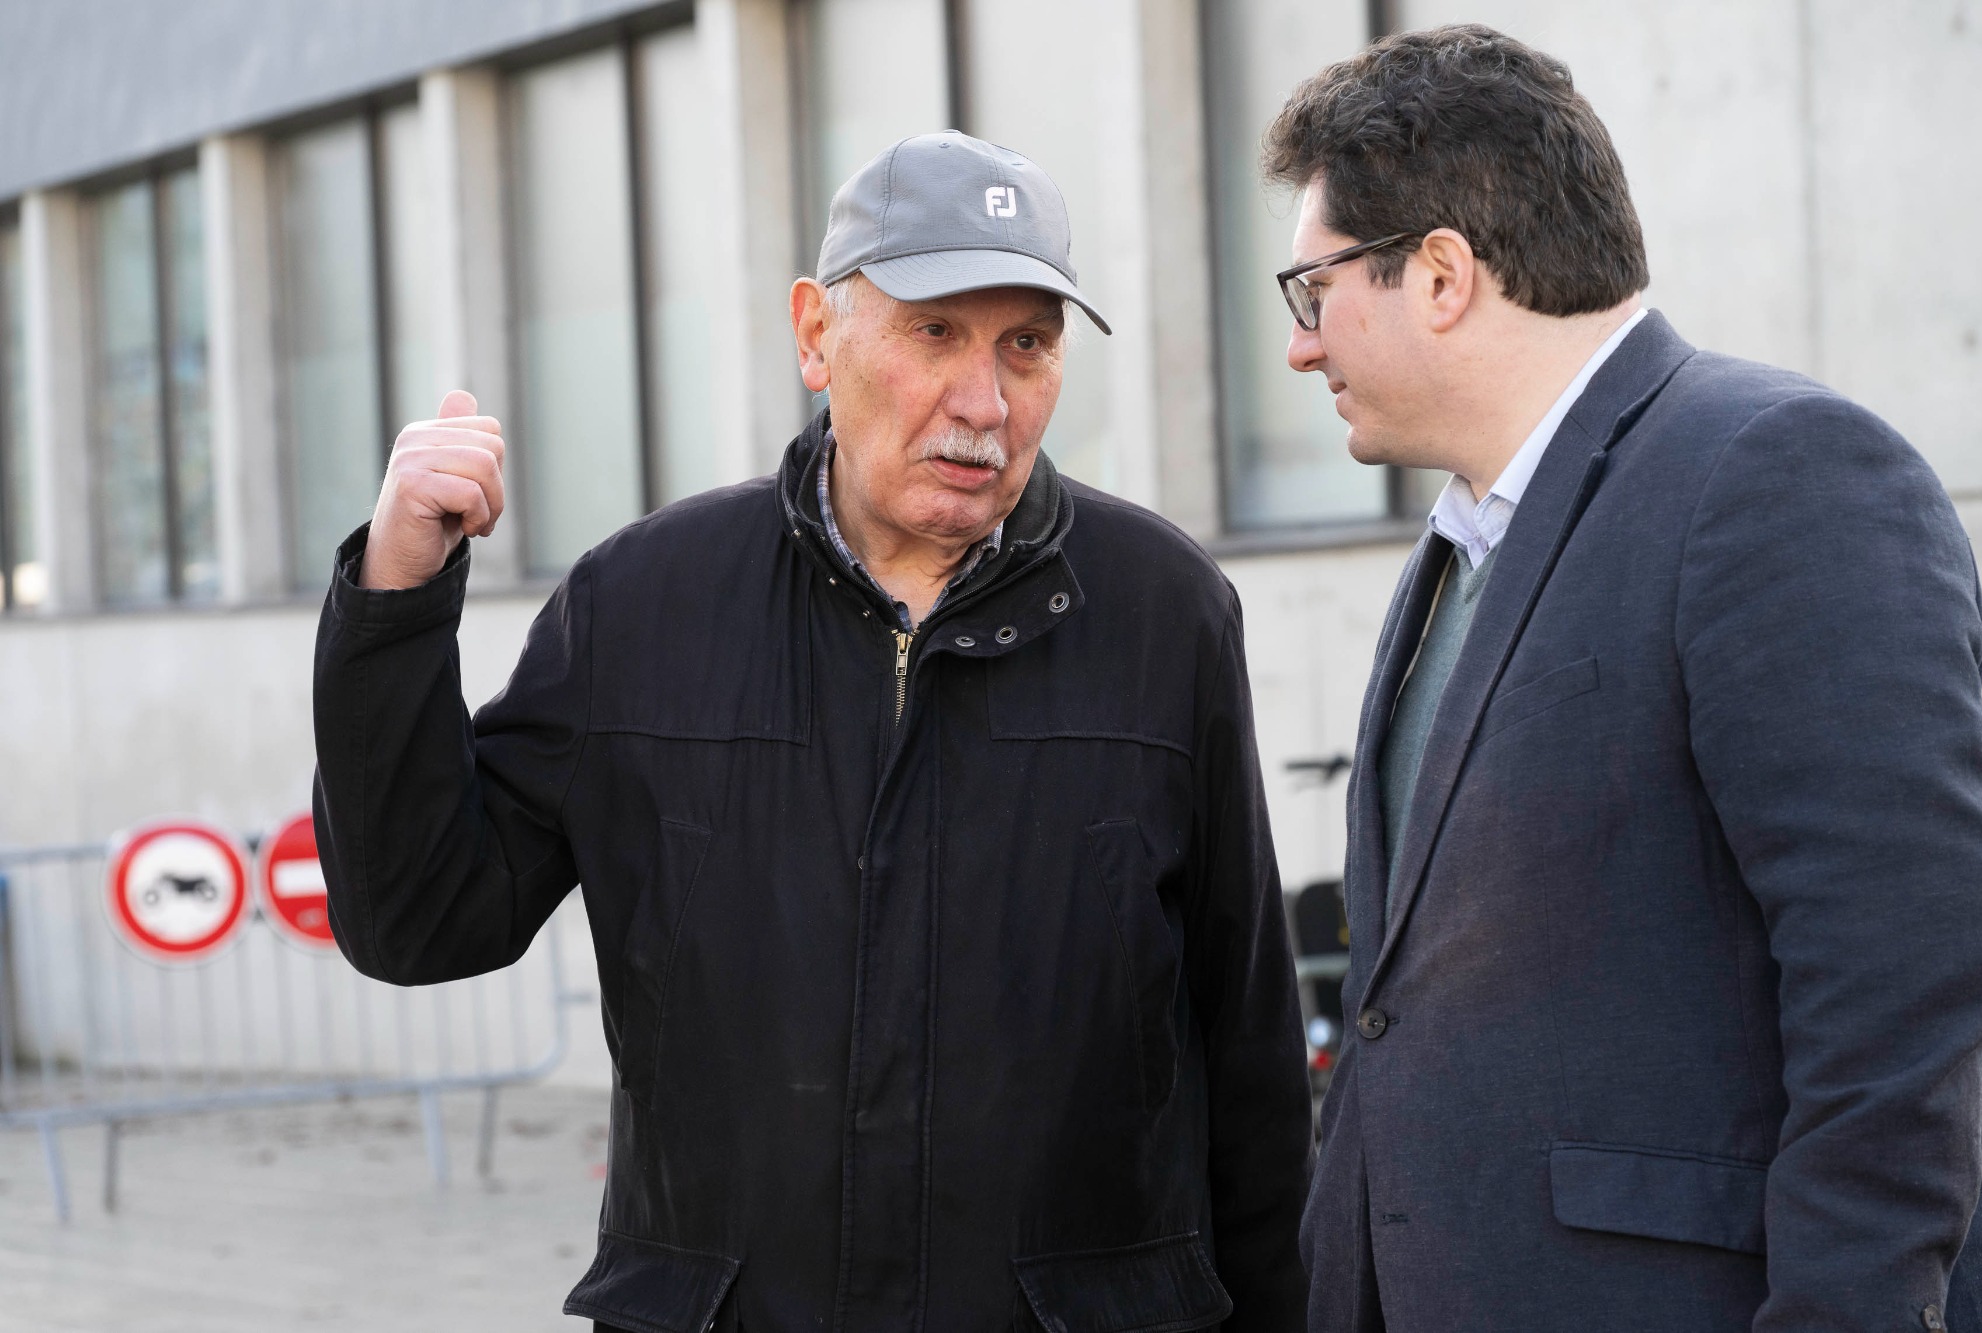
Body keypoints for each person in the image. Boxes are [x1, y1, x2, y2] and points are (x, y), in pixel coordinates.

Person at [311, 131, 1310, 1331]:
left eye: (1026, 345)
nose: (984, 402)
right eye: (933, 331)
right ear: (814, 334)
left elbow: (1246, 1042)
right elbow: (419, 917)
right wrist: (396, 594)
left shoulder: (1162, 608)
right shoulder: (644, 602)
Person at [1266, 25, 1982, 1332]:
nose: (1300, 347)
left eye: (1312, 291)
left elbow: (1900, 995)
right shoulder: (1461, 545)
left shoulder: (1779, 474)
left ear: (1439, 274)